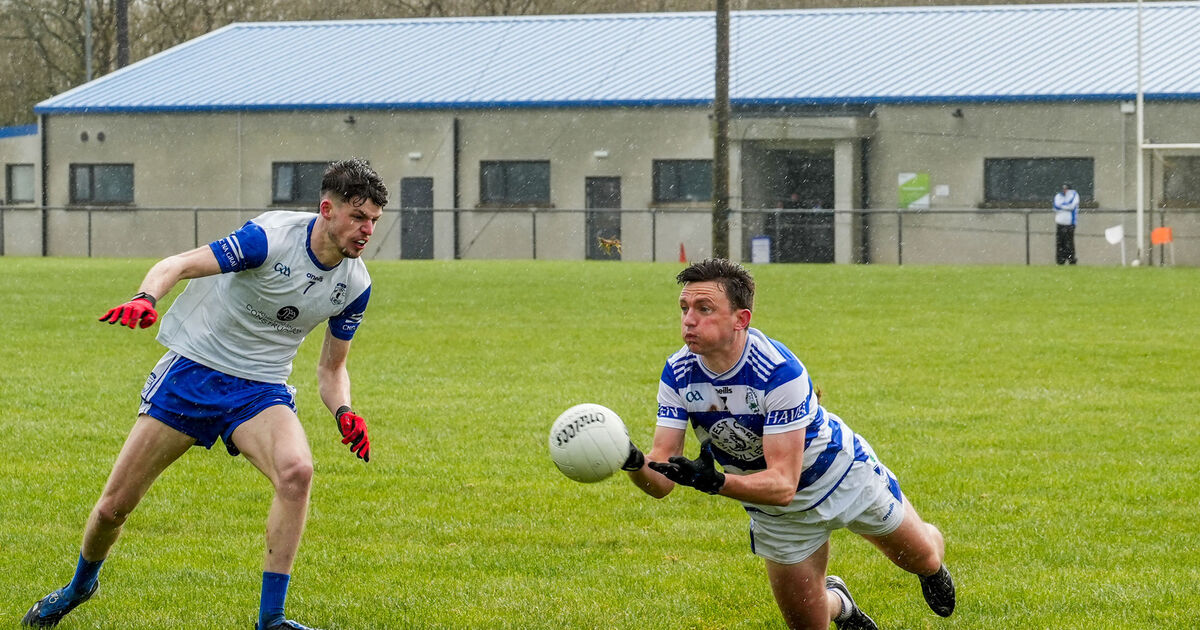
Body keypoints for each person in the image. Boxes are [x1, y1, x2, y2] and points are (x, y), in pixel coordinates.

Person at [22, 158, 388, 630]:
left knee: (297, 472)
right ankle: (79, 586)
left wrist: (344, 410)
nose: (367, 231)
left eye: (374, 220)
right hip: (194, 372)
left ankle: (271, 619)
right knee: (114, 508)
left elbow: (331, 368)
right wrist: (146, 297)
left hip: (260, 389)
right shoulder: (268, 239)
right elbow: (177, 265)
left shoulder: (355, 284)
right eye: (359, 218)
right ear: (327, 210)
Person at [621, 258, 955, 630]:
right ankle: (840, 604)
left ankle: (932, 564)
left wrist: (716, 482)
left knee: (923, 558)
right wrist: (632, 460)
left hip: (842, 478)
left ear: (741, 319)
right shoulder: (678, 372)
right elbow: (661, 480)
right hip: (775, 512)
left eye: (704, 309)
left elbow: (783, 484)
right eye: (684, 308)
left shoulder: (778, 371)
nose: (689, 320)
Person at [1053, 182, 1079, 265]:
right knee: (1060, 242)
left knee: (1069, 243)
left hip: (1070, 223)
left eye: (1066, 189)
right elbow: (1056, 207)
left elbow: (1072, 206)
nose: (1065, 191)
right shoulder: (1058, 196)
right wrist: (1065, 206)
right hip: (1060, 223)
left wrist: (1062, 206)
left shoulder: (1074, 195)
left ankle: (1071, 260)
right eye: (1064, 189)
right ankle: (1060, 260)